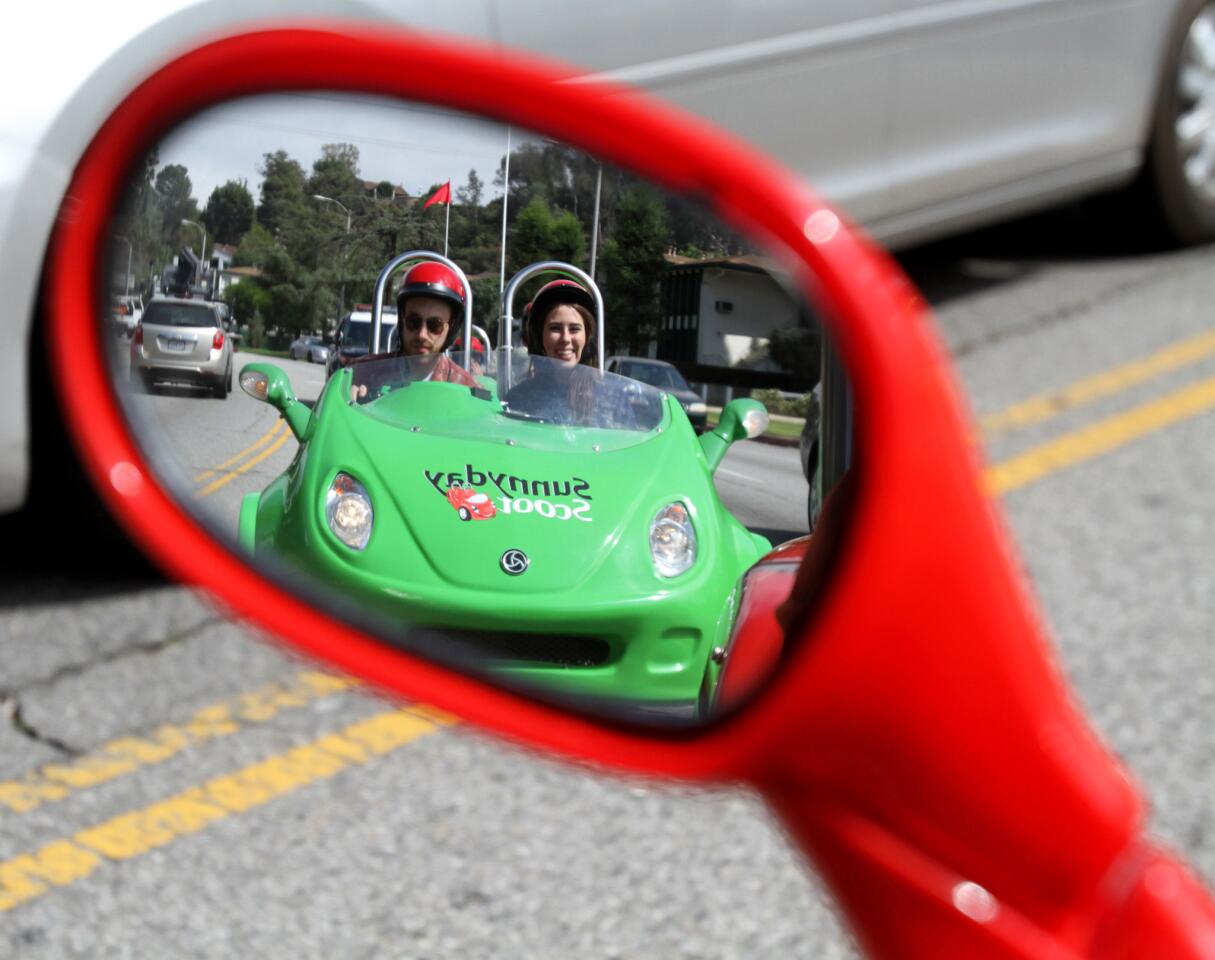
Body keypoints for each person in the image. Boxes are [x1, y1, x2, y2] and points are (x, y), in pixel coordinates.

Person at [351, 261, 478, 401]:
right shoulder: (361, 374)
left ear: (451, 327)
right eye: (414, 322)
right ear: (402, 318)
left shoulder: (466, 388)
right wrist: (349, 404)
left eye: (435, 325)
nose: (422, 334)